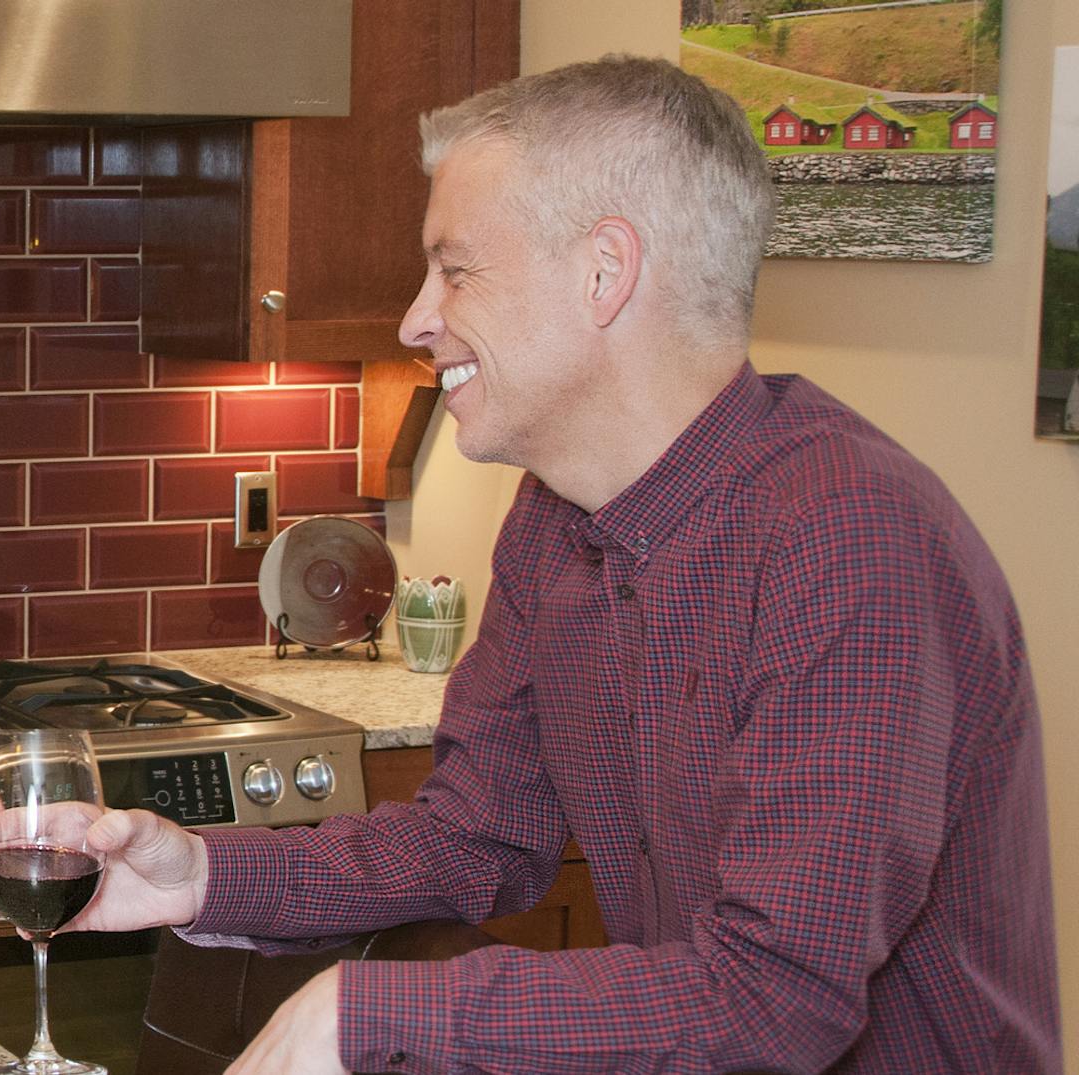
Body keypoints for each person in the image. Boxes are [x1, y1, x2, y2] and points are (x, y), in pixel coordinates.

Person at [63, 55, 1062, 1074]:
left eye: (454, 270)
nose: (414, 319)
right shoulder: (555, 519)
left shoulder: (853, 539)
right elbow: (469, 840)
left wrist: (377, 1010)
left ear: (604, 272)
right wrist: (197, 875)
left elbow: (773, 998)